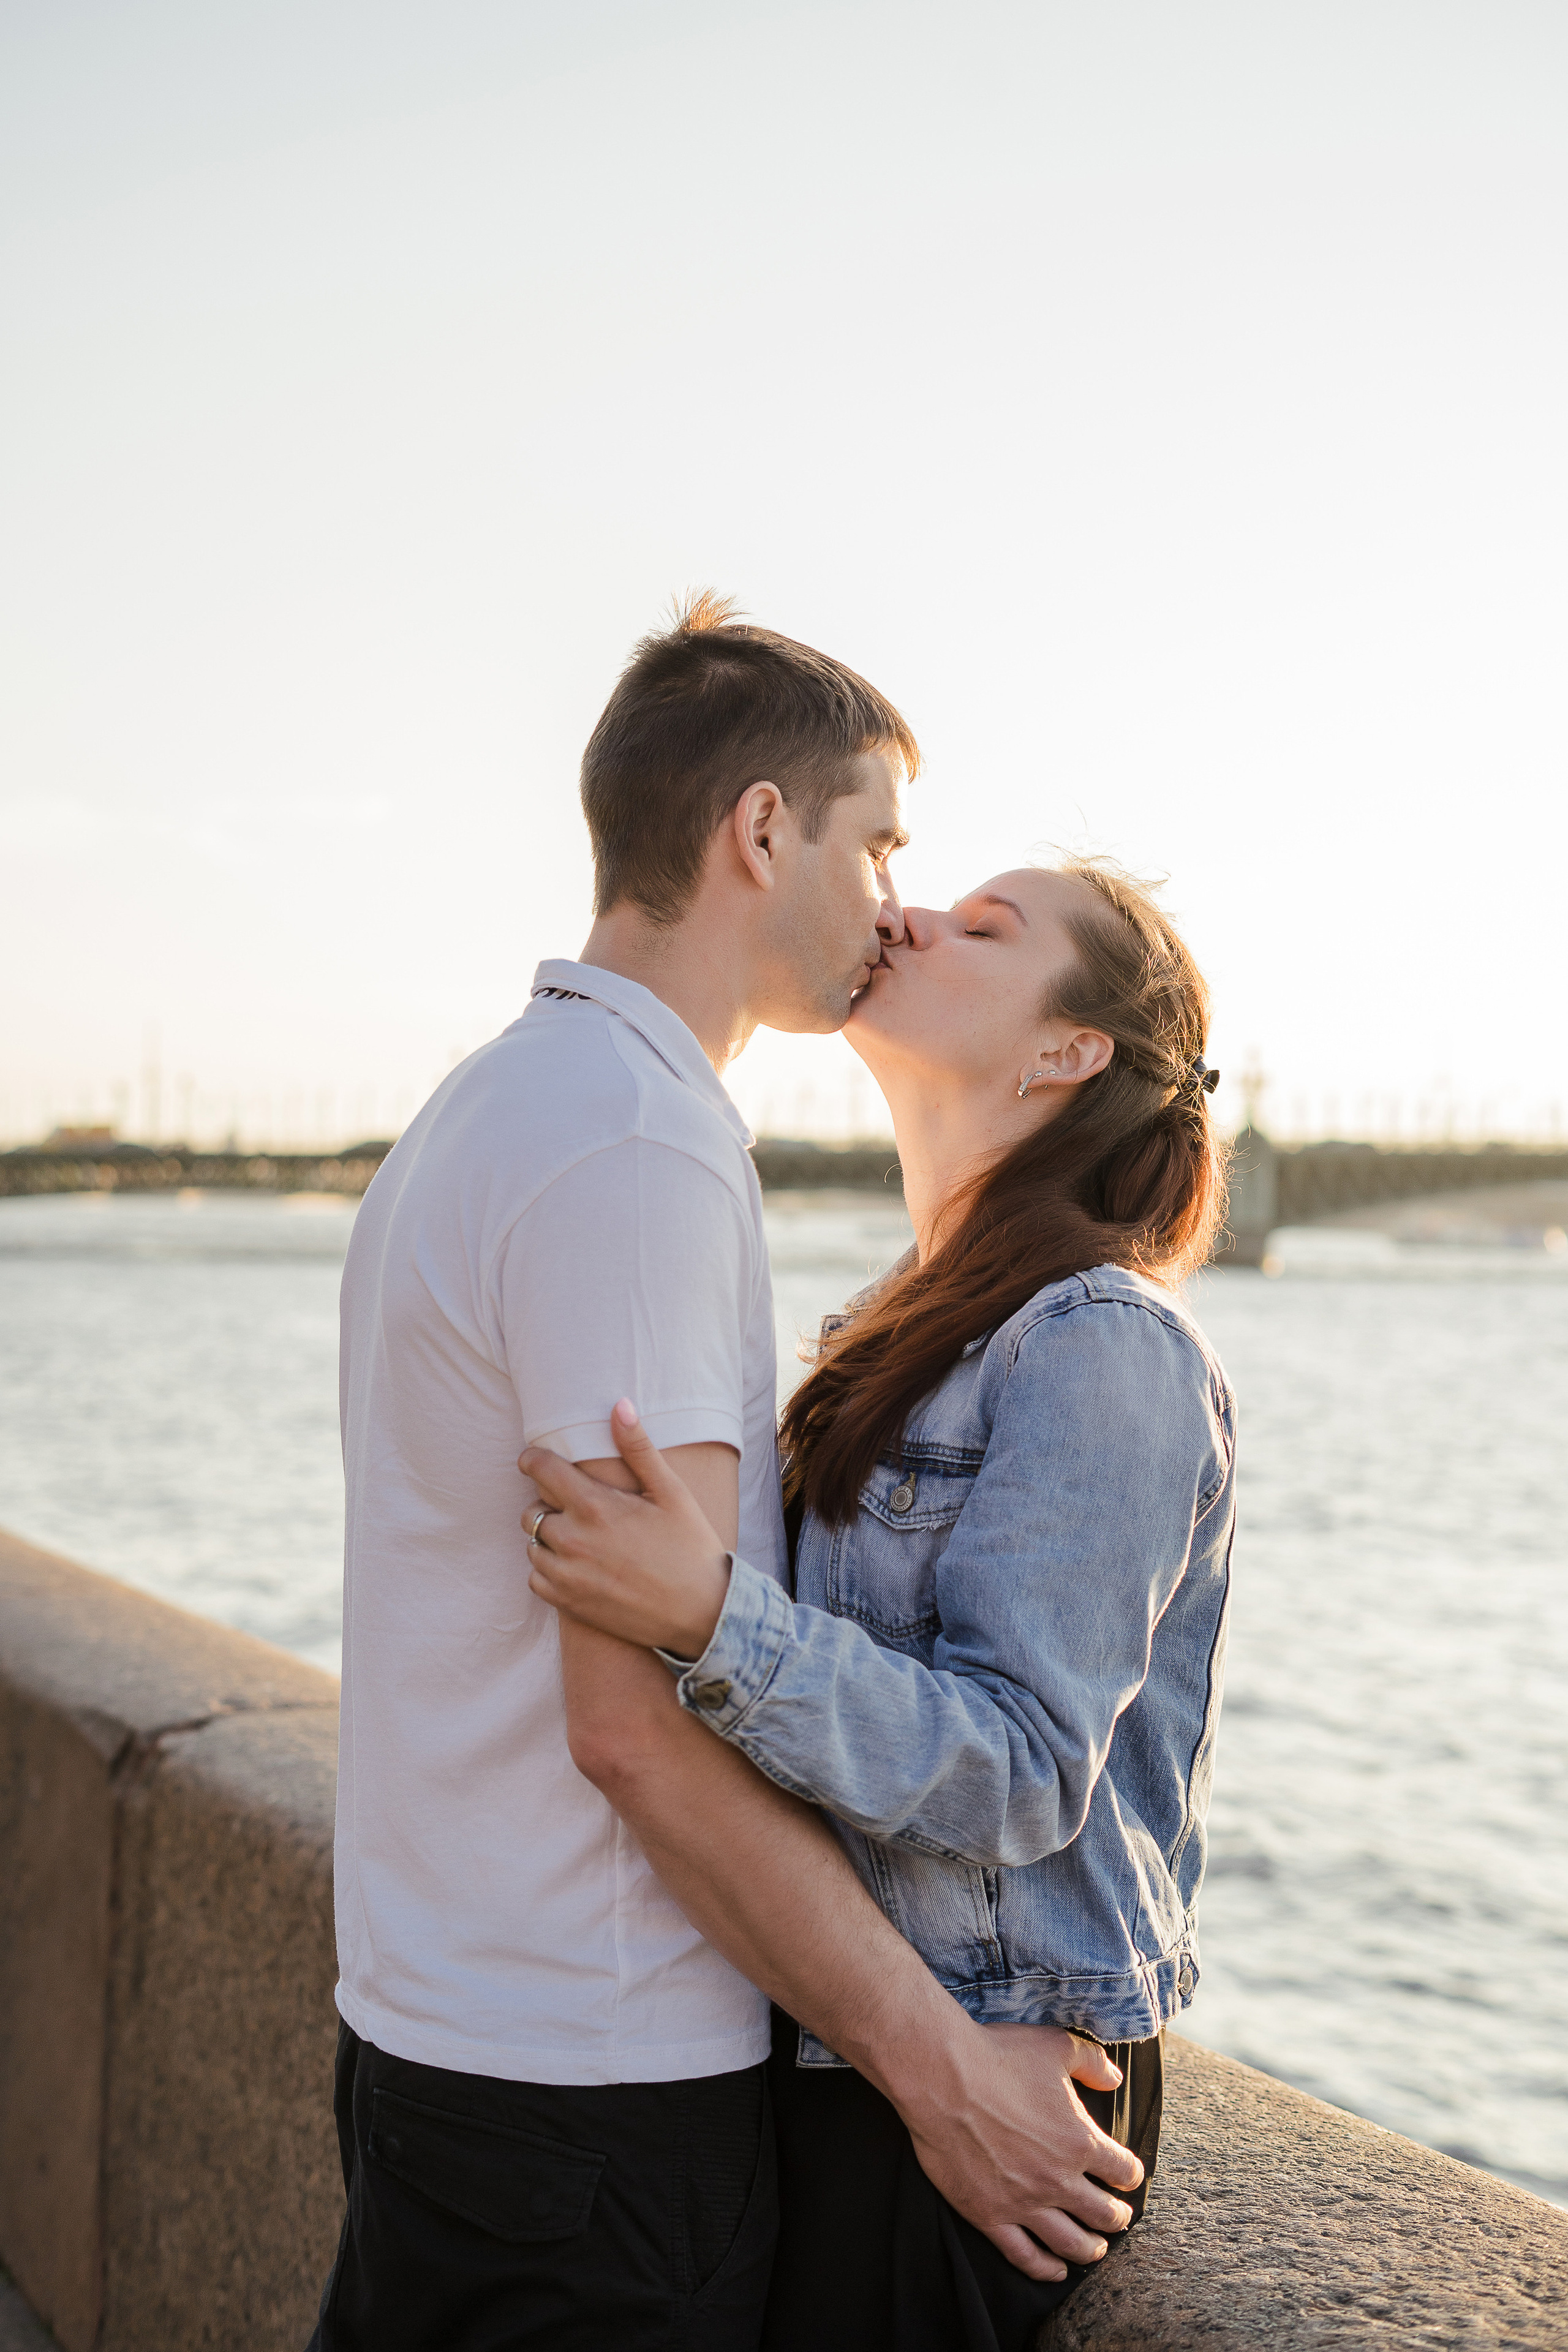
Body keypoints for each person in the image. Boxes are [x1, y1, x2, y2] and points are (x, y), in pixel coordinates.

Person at [309, 601, 1144, 2352]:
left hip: (448, 2041)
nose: (893, 901)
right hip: (591, 2089)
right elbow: (634, 1725)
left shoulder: (488, 1105)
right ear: (763, 831)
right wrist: (941, 2073)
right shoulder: (637, 1144)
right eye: (879, 845)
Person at [519, 857, 1238, 2351]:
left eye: (983, 928)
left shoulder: (1100, 1341)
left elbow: (1021, 1770)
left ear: (1066, 1052)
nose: (906, 916)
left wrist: (710, 1614)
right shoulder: (898, 1329)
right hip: (859, 2045)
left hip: (997, 2067)